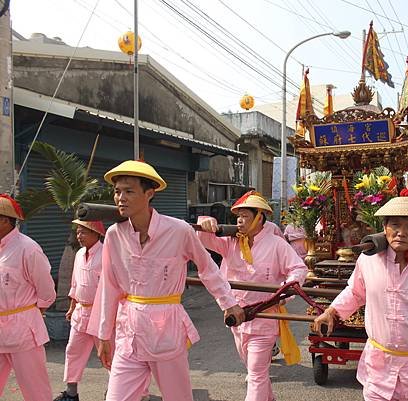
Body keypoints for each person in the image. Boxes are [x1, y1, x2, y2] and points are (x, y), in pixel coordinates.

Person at [87, 160, 244, 401]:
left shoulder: (179, 231)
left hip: (166, 331)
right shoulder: (114, 235)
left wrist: (229, 303)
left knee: (177, 397)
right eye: (117, 191)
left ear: (149, 194)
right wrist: (103, 334)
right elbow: (109, 286)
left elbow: (207, 268)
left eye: (129, 191)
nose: (120, 198)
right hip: (129, 332)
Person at [314, 190, 408, 401]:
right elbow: (355, 292)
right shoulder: (368, 262)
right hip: (378, 371)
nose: (401, 232)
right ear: (385, 228)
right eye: (395, 225)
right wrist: (331, 312)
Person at [196, 191, 307, 401]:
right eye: (238, 215)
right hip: (236, 316)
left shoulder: (277, 244)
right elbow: (203, 240)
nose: (240, 220)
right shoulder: (231, 242)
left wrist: (282, 293)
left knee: (255, 373)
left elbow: (299, 270)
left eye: (246, 215)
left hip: (264, 316)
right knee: (255, 368)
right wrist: (206, 223)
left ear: (260, 217)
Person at [0, 194, 56, 401]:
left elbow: (47, 291)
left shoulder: (28, 248)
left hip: (23, 332)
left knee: (36, 391)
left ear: (5, 220)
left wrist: (31, 313)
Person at [54, 219, 106, 401]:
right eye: (77, 232)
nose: (79, 236)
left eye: (83, 232)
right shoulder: (78, 254)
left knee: (109, 353)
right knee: (73, 351)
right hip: (80, 313)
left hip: (101, 314)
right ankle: (71, 392)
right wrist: (71, 307)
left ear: (95, 233)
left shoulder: (107, 254)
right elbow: (75, 283)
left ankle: (120, 389)